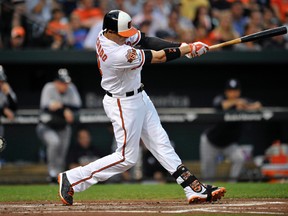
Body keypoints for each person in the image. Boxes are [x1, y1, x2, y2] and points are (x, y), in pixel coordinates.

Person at [58, 9, 226, 206]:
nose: (127, 37)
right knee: (126, 158)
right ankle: (73, 179)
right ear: (111, 32)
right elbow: (159, 57)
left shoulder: (109, 32)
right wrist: (188, 50)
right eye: (123, 35)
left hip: (139, 95)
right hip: (123, 102)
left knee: (161, 142)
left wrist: (184, 46)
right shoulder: (117, 53)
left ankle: (192, 188)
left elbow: (146, 40)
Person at [199, 78, 263, 182]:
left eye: (235, 90)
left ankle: (232, 185)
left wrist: (245, 107)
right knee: (208, 175)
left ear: (239, 91)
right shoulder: (221, 98)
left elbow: (258, 105)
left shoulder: (243, 101)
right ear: (226, 92)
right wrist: (236, 102)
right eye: (230, 91)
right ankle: (208, 192)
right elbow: (218, 104)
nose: (233, 93)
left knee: (239, 158)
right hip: (211, 142)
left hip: (229, 144)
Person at [36, 68, 82, 184]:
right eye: (62, 82)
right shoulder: (49, 88)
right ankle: (51, 173)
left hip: (63, 127)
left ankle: (57, 178)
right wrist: (64, 110)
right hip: (46, 126)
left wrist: (61, 107)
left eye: (66, 82)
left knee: (61, 153)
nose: (65, 85)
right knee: (54, 142)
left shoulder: (71, 88)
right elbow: (46, 107)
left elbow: (77, 106)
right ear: (56, 82)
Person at [0, 65, 18, 137]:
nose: (1, 83)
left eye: (1, 81)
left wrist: (8, 94)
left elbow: (14, 107)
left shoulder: (5, 88)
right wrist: (3, 110)